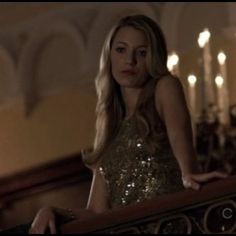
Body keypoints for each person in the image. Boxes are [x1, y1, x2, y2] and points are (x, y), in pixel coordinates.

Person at [26, 14, 230, 234]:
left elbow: (179, 135)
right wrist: (52, 210)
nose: (129, 60)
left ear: (153, 58)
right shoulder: (109, 127)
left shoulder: (165, 86)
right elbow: (96, 211)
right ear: (109, 55)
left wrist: (188, 172)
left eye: (141, 53)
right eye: (121, 50)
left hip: (172, 225)